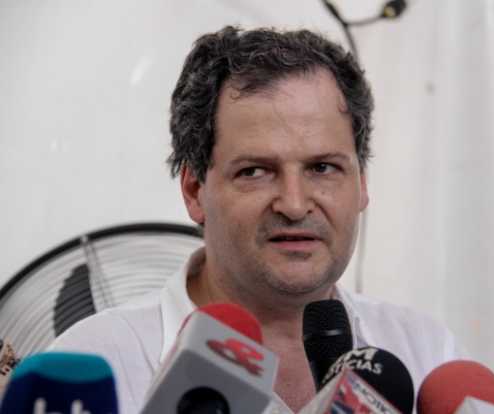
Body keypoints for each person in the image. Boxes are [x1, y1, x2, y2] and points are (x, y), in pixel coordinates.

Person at [52, 26, 461, 413]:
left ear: (362, 184)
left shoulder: (428, 357)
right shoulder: (96, 368)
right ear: (194, 190)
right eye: (255, 171)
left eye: (322, 167)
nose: (294, 205)